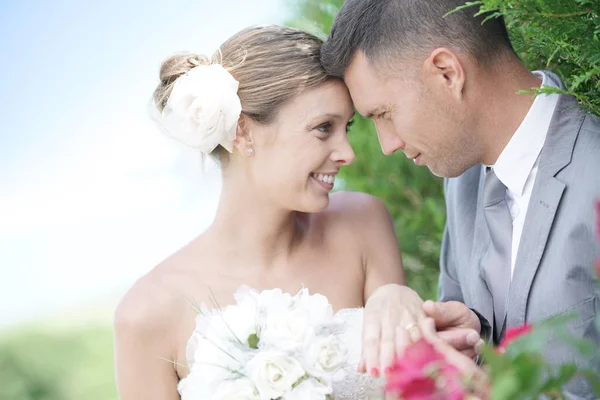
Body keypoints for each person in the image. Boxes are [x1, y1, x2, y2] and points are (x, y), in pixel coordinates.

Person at [113, 25, 429, 400]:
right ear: (244, 133)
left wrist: (398, 297)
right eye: (323, 128)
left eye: (347, 127)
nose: (347, 153)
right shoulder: (147, 311)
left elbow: (412, 386)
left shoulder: (363, 224)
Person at [320, 0, 600, 398]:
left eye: (385, 114)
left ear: (447, 73)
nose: (386, 145)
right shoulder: (461, 183)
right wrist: (475, 334)